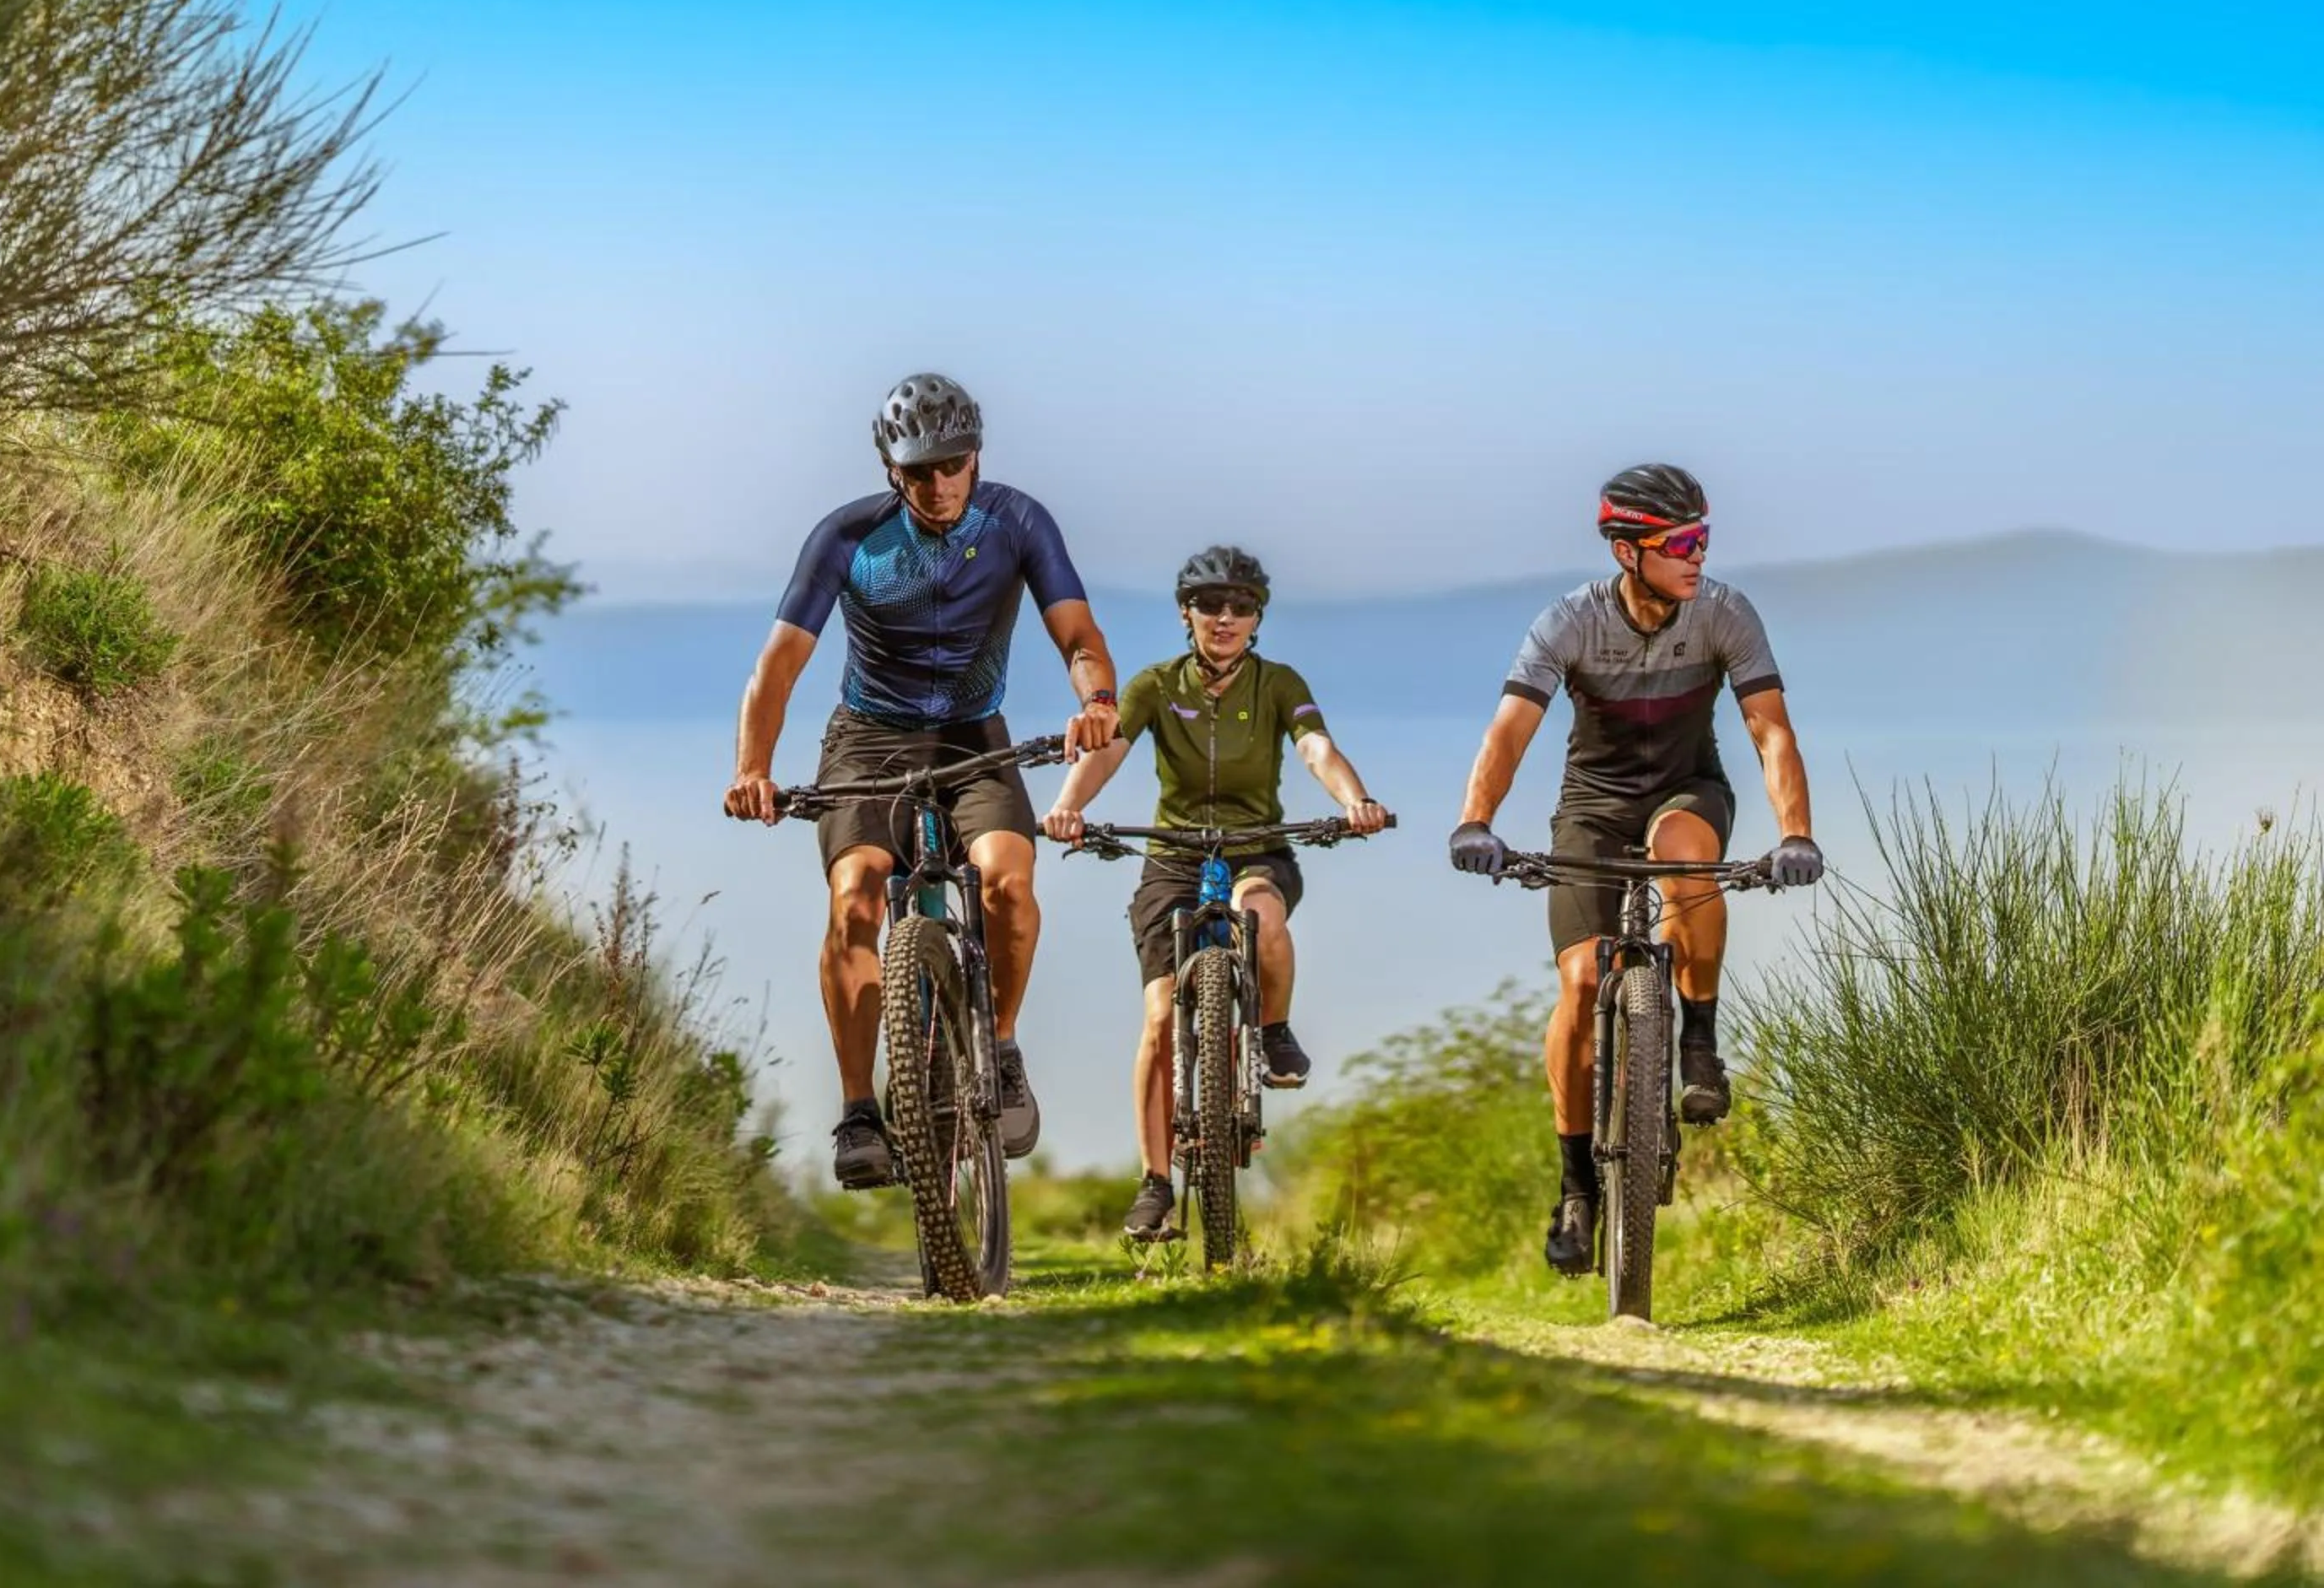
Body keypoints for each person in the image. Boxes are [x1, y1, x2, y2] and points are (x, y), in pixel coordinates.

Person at [724, 373, 1120, 1188]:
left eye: (954, 465)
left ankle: (1001, 1049)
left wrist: (1098, 701)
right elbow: (778, 667)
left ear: (976, 458)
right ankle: (860, 1110)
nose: (939, 486)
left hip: (974, 736)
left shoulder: (1018, 521)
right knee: (856, 898)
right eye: (919, 472)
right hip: (868, 741)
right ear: (890, 469)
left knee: (1008, 881)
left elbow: (1078, 634)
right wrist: (753, 770)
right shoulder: (847, 537)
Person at [1445, 463, 1824, 1276]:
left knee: (1687, 858)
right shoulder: (1568, 624)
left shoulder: (1725, 613)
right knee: (1581, 983)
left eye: (1704, 539)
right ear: (1628, 551)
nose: (1698, 556)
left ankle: (1698, 1043)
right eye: (1679, 543)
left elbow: (1772, 734)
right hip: (1594, 806)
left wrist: (1796, 832)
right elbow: (1508, 733)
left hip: (1688, 791)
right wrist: (1476, 820)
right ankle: (1577, 1184)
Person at [1041, 545, 1388, 1240]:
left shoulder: (1279, 682)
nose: (1224, 618)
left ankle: (1272, 1029)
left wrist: (1356, 799)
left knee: (1260, 915)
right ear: (1186, 614)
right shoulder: (1154, 684)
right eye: (1209, 605)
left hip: (1258, 847)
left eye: (1240, 607)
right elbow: (1109, 752)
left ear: (1257, 617)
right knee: (1161, 1019)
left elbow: (1316, 747)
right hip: (1172, 859)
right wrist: (1067, 806)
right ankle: (1154, 1182)